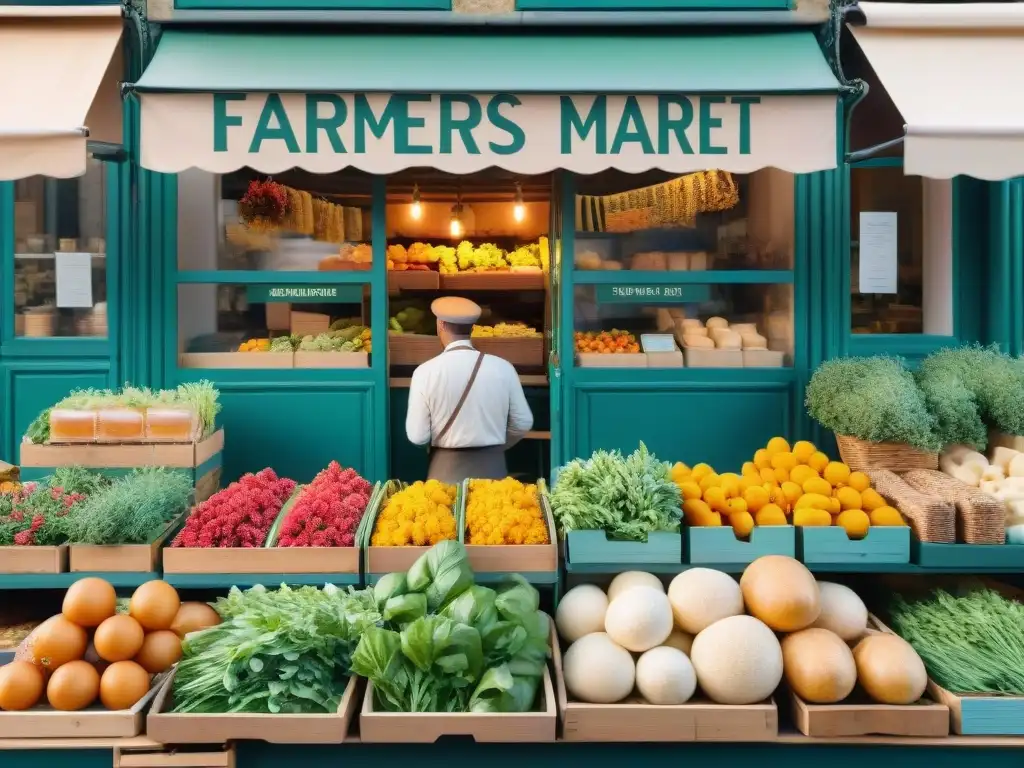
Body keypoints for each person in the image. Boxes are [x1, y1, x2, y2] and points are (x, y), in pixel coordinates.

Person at [406, 296, 534, 484]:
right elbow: (523, 422)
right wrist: (495, 446)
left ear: (440, 325)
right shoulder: (503, 368)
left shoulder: (424, 372)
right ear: (472, 328)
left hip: (446, 470)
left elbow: (418, 436)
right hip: (493, 467)